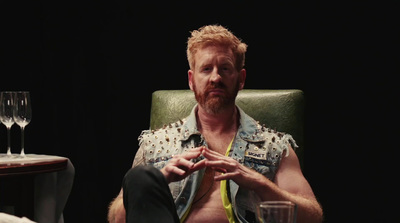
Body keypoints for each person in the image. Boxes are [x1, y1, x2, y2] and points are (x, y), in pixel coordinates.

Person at [107, 24, 323, 223]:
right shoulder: (156, 144)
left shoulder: (273, 146)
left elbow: (313, 216)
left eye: (225, 69)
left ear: (241, 79)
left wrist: (259, 182)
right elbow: (118, 218)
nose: (215, 78)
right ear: (191, 80)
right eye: (206, 69)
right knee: (140, 177)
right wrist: (159, 181)